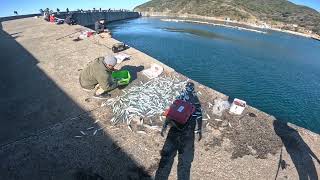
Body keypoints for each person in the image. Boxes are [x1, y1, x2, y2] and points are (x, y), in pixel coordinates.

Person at [156, 82, 202, 180]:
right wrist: (199, 130)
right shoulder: (196, 100)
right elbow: (199, 116)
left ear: (185, 88)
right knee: (185, 160)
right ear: (193, 89)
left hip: (176, 127)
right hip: (188, 131)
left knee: (167, 158)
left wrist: (164, 126)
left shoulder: (180, 97)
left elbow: (171, 112)